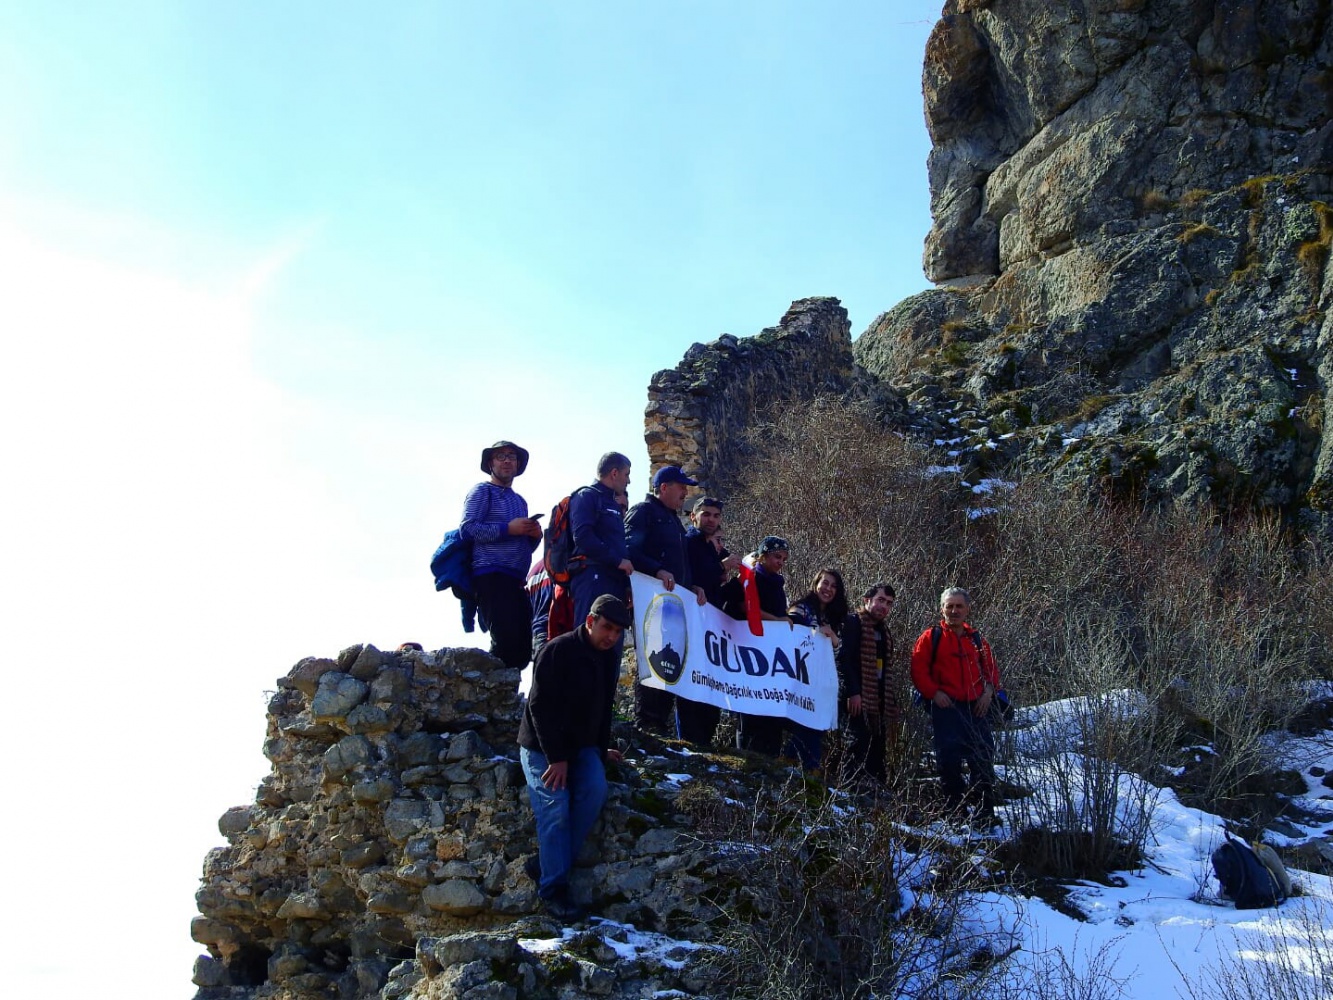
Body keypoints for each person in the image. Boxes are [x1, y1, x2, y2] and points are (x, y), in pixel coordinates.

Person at [517, 594, 630, 921]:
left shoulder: (609, 658)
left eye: (618, 631)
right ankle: (553, 889)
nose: (611, 636)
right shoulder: (557, 650)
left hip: (582, 746)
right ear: (591, 621)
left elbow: (601, 710)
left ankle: (548, 861)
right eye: (607, 627)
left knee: (595, 790)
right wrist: (557, 758)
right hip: (541, 746)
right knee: (555, 806)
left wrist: (599, 748)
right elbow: (539, 708)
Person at [910, 586, 1003, 827]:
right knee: (949, 762)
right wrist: (934, 693)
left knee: (983, 759)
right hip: (946, 709)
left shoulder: (977, 639)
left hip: (977, 709)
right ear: (941, 609)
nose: (954, 611)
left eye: (958, 606)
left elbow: (991, 670)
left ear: (967, 609)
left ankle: (985, 814)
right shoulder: (931, 637)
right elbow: (918, 670)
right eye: (949, 606)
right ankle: (955, 812)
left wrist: (989, 693)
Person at [625, 465, 706, 734]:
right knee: (653, 658)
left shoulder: (674, 521)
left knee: (671, 660)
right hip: (652, 603)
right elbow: (627, 549)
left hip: (674, 607)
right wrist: (655, 569)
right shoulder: (643, 512)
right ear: (663, 488)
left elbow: (681, 564)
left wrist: (693, 585)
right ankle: (646, 725)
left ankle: (659, 724)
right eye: (680, 486)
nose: (685, 492)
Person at [459, 440, 543, 672]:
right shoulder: (481, 491)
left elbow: (520, 546)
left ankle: (503, 698)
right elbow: (467, 528)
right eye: (501, 456)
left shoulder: (520, 501)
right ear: (490, 463)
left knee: (523, 648)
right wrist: (508, 528)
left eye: (512, 456)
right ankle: (488, 692)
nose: (507, 460)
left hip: (515, 580)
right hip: (491, 575)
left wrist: (533, 536)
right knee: (505, 643)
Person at [678, 496, 742, 745]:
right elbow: (691, 575)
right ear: (693, 517)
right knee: (692, 684)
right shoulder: (689, 543)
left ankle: (704, 741)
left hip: (712, 630)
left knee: (710, 684)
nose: (711, 520)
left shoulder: (710, 547)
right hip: (692, 627)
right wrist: (722, 567)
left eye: (715, 515)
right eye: (705, 514)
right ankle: (689, 742)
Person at [724, 535, 792, 756]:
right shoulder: (750, 578)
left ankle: (769, 758)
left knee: (771, 713)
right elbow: (745, 606)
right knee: (750, 712)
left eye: (783, 558)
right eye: (776, 556)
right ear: (763, 556)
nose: (780, 562)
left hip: (771, 660)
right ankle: (747, 755)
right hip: (749, 655)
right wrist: (777, 621)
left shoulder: (777, 583)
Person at [836, 583, 900, 787]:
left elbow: (885, 670)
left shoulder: (883, 631)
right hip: (854, 697)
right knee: (856, 743)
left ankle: (873, 794)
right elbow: (844, 660)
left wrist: (890, 700)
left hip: (877, 701)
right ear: (867, 600)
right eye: (880, 600)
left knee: (876, 748)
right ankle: (849, 788)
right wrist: (852, 692)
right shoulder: (853, 623)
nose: (884, 607)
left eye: (889, 603)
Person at [785, 568, 849, 770]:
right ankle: (801, 764)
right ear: (816, 583)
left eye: (833, 586)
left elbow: (842, 653)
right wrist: (813, 634)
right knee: (805, 723)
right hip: (800, 679)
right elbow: (787, 633)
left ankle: (804, 766)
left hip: (823, 682)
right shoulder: (801, 609)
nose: (828, 589)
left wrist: (834, 639)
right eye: (825, 583)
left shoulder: (836, 617)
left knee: (817, 724)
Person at [568, 453, 634, 636]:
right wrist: (617, 561)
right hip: (593, 576)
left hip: (615, 581)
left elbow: (619, 544)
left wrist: (626, 583)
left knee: (613, 641)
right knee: (589, 638)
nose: (628, 481)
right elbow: (582, 536)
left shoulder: (613, 503)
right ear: (614, 473)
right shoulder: (587, 496)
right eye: (626, 474)